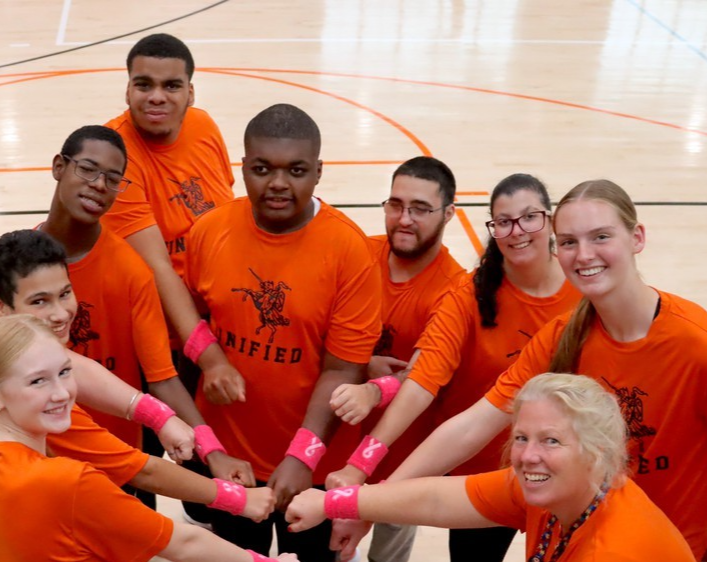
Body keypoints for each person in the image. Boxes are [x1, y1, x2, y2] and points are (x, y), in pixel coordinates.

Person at [340, 179, 707, 559]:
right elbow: (472, 426)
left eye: (600, 237)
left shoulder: (695, 343)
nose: (583, 255)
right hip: (576, 541)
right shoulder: (562, 336)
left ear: (637, 238)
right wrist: (368, 502)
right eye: (568, 242)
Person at [0, 228, 275, 562]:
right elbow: (149, 486)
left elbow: (77, 367)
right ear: (0, 307)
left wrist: (159, 417)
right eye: (39, 302)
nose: (60, 313)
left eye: (65, 294)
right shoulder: (55, 441)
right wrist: (238, 501)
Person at [327, 173, 581, 562]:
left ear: (550, 219)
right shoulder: (468, 294)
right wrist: (361, 470)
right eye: (504, 222)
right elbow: (421, 379)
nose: (517, 232)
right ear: (492, 229)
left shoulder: (583, 294)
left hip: (561, 470)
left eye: (530, 217)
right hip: (480, 472)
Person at [184, 103, 382, 562]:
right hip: (229, 463)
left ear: (317, 172)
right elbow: (192, 322)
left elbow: (344, 368)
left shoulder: (349, 251)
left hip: (315, 468)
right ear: (243, 168)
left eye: (295, 170)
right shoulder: (209, 231)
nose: (277, 183)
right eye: (262, 169)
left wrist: (303, 455)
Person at [0, 314, 296, 562]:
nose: (62, 392)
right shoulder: (70, 482)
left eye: (64, 372)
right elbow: (183, 544)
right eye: (37, 382)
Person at [38, 124, 253, 494]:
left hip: (117, 462)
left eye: (112, 178)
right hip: (42, 459)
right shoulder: (20, 261)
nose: (99, 185)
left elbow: (163, 379)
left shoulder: (131, 271)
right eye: (87, 169)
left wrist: (214, 454)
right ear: (59, 166)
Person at [286, 373, 695, 562]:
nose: (528, 455)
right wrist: (334, 504)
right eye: (521, 437)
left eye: (551, 440)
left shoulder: (616, 550)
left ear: (598, 452)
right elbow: (436, 499)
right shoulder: (561, 485)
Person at [324, 156, 465, 562]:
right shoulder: (358, 254)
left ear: (449, 213)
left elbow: (421, 373)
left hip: (403, 457)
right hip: (336, 446)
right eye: (396, 205)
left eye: (420, 209)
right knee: (329, 547)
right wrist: (366, 364)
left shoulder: (455, 289)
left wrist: (372, 389)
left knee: (388, 555)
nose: (405, 219)